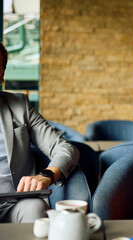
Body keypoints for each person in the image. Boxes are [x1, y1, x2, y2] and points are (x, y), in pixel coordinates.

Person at [0, 42, 79, 223]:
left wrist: (46, 175)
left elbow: (66, 149)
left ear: (2, 73)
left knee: (35, 208)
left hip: (16, 204)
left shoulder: (19, 106)